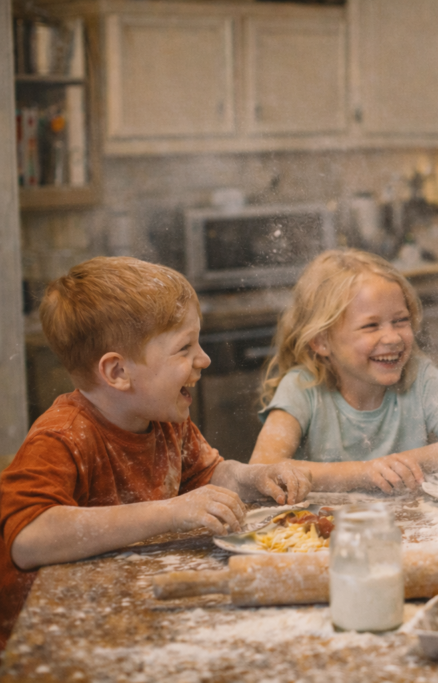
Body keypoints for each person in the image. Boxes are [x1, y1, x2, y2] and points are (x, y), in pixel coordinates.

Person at [0, 257, 312, 651]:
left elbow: (207, 475)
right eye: (185, 348)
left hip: (120, 612)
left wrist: (253, 477)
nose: (205, 359)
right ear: (117, 373)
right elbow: (28, 539)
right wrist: (172, 511)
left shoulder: (164, 419)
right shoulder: (63, 436)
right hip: (51, 637)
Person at [249, 249, 438, 492]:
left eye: (400, 320)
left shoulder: (419, 376)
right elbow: (262, 468)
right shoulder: (302, 388)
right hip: (325, 528)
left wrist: (395, 465)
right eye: (371, 326)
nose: (391, 337)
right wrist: (366, 472)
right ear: (322, 341)